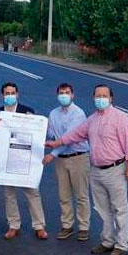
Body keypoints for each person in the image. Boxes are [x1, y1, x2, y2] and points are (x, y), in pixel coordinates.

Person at [45, 84, 128, 255]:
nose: (101, 99)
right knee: (103, 209)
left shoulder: (120, 118)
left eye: (104, 96)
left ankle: (121, 245)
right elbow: (75, 135)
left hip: (115, 169)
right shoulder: (92, 120)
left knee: (119, 209)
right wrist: (56, 143)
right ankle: (107, 241)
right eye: (98, 96)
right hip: (96, 170)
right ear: (93, 98)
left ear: (111, 98)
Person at [0, 82, 49, 241]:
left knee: (32, 192)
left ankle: (39, 226)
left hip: (24, 159)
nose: (10, 96)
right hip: (5, 160)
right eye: (7, 93)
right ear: (2, 95)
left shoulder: (27, 111)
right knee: (9, 194)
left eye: (12, 93)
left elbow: (36, 136)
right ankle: (14, 225)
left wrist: (33, 121)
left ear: (17, 94)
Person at [43, 83, 91, 241]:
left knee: (81, 195)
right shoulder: (53, 113)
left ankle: (83, 227)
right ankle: (67, 225)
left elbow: (69, 138)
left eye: (67, 92)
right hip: (61, 160)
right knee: (63, 195)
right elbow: (52, 135)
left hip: (78, 157)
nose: (64, 95)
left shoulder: (78, 114)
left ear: (73, 95)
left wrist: (52, 154)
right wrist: (39, 125)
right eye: (61, 93)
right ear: (57, 95)